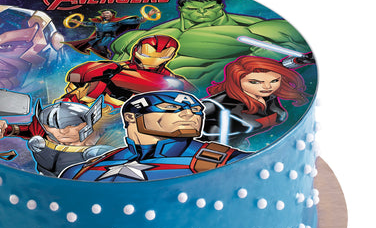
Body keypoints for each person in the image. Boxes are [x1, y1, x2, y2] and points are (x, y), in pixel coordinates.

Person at [108, 0, 311, 88]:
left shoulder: (254, 29)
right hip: (130, 94)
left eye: (209, 8)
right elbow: (117, 58)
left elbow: (296, 51)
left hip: (201, 99)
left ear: (220, 7)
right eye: (193, 9)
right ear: (182, 10)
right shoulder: (151, 34)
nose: (202, 13)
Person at [59, 90, 248, 181]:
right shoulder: (81, 171)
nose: (189, 114)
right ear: (131, 117)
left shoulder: (229, 163)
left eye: (196, 110)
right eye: (171, 108)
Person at [0, 98, 111, 176]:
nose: (63, 131)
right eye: (53, 126)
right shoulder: (40, 132)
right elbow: (23, 130)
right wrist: (1, 130)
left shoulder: (100, 138)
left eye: (72, 125)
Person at [59, 35, 195, 109]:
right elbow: (77, 77)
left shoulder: (172, 79)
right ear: (136, 50)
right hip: (108, 112)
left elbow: (193, 96)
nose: (153, 60)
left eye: (162, 56)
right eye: (147, 54)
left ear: (170, 56)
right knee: (99, 79)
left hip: (148, 118)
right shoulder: (114, 68)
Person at [201, 56, 310, 146]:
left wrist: (300, 60)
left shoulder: (268, 97)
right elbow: (194, 112)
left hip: (240, 149)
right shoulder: (216, 104)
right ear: (237, 80)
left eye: (274, 81)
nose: (267, 87)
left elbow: (277, 68)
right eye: (255, 82)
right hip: (212, 154)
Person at [64, 9, 150, 58]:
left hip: (111, 39)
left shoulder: (117, 22)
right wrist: (78, 22)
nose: (105, 14)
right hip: (99, 39)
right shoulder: (98, 22)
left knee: (113, 48)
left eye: (107, 12)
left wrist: (148, 15)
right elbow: (87, 23)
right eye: (104, 13)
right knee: (100, 47)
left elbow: (137, 21)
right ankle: (110, 56)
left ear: (112, 14)